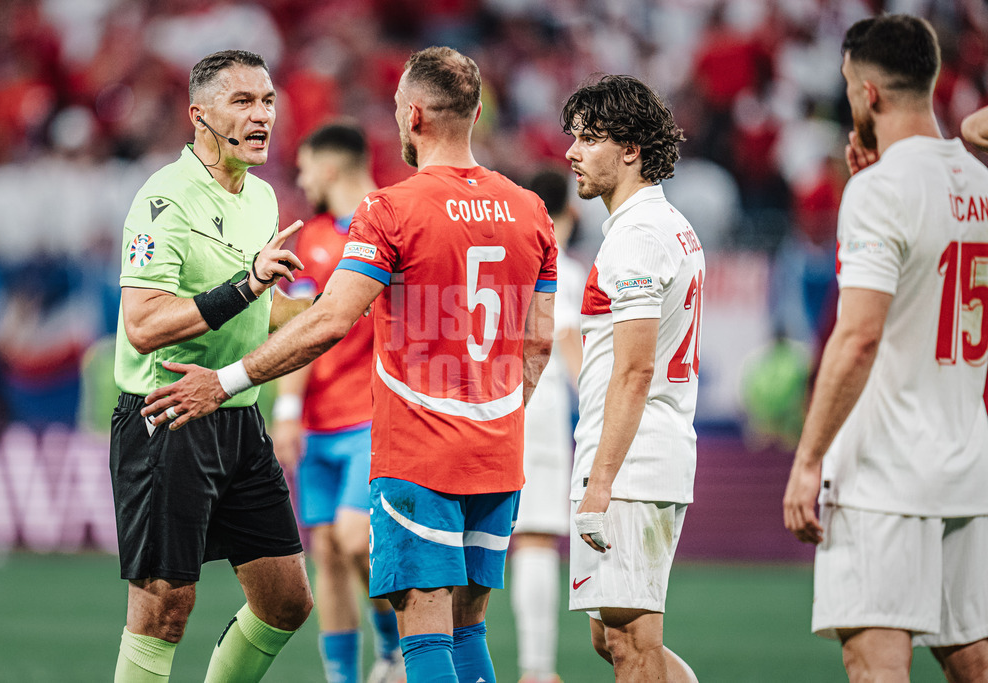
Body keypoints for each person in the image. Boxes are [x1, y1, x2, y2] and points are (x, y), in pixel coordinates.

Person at [139, 46, 558, 683]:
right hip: (498, 452)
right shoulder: (530, 210)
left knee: (424, 629)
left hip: (421, 452)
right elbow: (539, 342)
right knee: (469, 627)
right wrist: (494, 416)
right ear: (475, 115)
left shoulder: (391, 209)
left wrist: (224, 381)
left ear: (413, 116)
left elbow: (330, 320)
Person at [782, 15, 988, 682]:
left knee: (874, 662)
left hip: (884, 473)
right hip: (967, 462)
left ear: (868, 94)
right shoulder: (980, 184)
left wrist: (809, 458)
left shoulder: (878, 191)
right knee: (973, 658)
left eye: (848, 86)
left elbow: (859, 336)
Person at [110, 49, 314, 682]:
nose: (262, 115)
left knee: (286, 601)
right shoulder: (164, 200)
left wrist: (340, 306)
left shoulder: (262, 198)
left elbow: (261, 310)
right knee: (163, 611)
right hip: (167, 416)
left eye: (268, 101)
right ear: (199, 114)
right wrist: (247, 284)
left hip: (236, 414)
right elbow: (144, 324)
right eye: (243, 101)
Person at [563, 75, 701, 683]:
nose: (572, 152)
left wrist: (601, 483)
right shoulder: (665, 224)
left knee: (632, 643)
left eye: (588, 139)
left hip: (630, 462)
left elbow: (636, 367)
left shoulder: (638, 236)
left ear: (630, 150)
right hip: (640, 453)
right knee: (610, 637)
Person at [272, 123, 404, 683]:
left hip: (372, 415)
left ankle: (393, 650)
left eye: (304, 168)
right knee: (325, 553)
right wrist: (287, 411)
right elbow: (299, 331)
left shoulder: (395, 224)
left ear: (328, 167)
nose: (301, 181)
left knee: (355, 541)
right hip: (318, 422)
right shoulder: (312, 241)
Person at [509, 168, 585, 683]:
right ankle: (537, 671)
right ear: (570, 212)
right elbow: (568, 341)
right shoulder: (564, 268)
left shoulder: (497, 259)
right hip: (539, 401)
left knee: (467, 538)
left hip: (482, 400)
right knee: (535, 538)